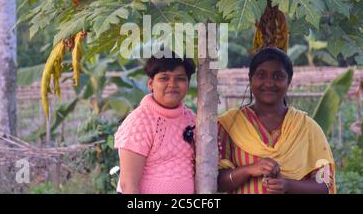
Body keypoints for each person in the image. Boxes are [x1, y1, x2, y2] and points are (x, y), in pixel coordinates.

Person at [217, 47, 336, 194]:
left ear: (289, 81)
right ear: (250, 78)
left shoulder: (307, 128)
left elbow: (324, 184)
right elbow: (216, 182)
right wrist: (249, 170)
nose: (269, 83)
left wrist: (288, 185)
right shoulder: (229, 125)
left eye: (277, 76)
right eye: (261, 75)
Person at [114, 52, 197, 194]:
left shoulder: (192, 119)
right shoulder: (139, 121)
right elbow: (128, 184)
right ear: (151, 84)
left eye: (180, 79)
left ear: (188, 85)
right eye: (164, 78)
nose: (172, 84)